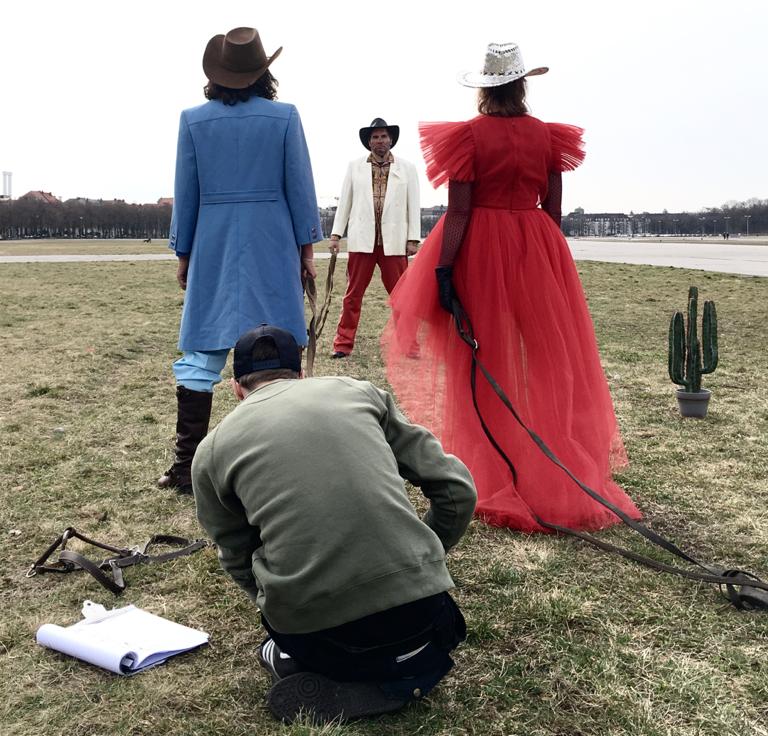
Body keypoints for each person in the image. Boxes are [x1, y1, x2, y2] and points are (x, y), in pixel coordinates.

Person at [383, 43, 641, 532]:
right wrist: (543, 258)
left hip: (482, 246)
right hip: (536, 243)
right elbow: (553, 208)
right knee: (550, 358)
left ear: (485, 88)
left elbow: (459, 211)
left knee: (484, 358)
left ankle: (491, 465)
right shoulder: (547, 135)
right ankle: (556, 459)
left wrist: (444, 269)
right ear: (522, 85)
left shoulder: (467, 136)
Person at [192, 324, 476, 724]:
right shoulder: (360, 392)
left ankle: (312, 665)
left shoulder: (211, 451)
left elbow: (236, 554)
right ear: (301, 374)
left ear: (237, 389)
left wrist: (275, 603)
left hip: (321, 638)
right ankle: (407, 670)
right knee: (418, 637)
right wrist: (426, 556)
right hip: (428, 617)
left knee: (297, 643)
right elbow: (456, 489)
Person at [158, 27, 322, 494]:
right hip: (272, 239)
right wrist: (306, 250)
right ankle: (282, 462)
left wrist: (184, 253)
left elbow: (186, 192)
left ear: (217, 74)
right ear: (262, 72)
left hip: (212, 241)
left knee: (201, 350)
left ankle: (186, 466)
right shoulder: (285, 117)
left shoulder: (193, 121)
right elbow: (300, 186)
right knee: (277, 346)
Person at [328, 117, 421, 358]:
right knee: (352, 296)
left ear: (391, 140)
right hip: (362, 241)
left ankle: (409, 345)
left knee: (402, 296)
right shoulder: (355, 167)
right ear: (369, 142)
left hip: (394, 242)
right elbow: (345, 202)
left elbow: (413, 204)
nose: (380, 141)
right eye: (375, 137)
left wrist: (413, 238)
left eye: (383, 136)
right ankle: (342, 344)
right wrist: (336, 234)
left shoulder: (407, 168)